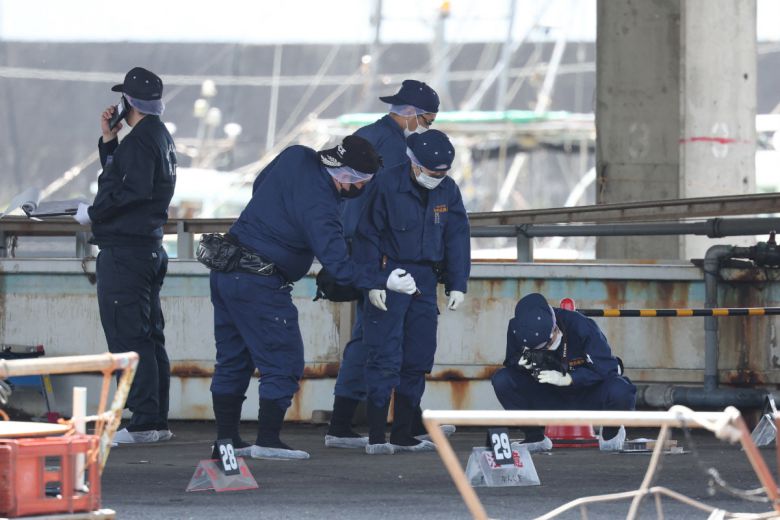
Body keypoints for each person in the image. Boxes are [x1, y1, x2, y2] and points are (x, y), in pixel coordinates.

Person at [207, 135, 419, 460]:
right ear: (347, 177)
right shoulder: (321, 208)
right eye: (362, 182)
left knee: (232, 358)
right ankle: (267, 440)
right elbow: (340, 266)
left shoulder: (296, 155)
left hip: (225, 272)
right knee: (283, 359)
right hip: (260, 282)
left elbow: (261, 185)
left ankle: (227, 440)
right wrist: (385, 278)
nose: (362, 189)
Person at [326, 79, 445, 449]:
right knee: (385, 339)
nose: (428, 126)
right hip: (383, 256)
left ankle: (343, 422)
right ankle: (401, 424)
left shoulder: (366, 134)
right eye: (427, 119)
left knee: (366, 336)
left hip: (352, 246)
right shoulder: (398, 148)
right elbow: (393, 207)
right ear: (410, 114)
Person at [73, 67, 177, 444]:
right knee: (149, 336)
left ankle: (145, 421)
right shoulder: (158, 137)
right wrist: (108, 141)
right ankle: (156, 419)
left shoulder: (139, 143)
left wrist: (93, 213)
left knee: (128, 337)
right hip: (149, 248)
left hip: (126, 254)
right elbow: (128, 181)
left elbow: (127, 192)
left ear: (127, 102)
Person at [353, 129, 471, 455]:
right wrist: (374, 281)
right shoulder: (386, 184)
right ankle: (377, 435)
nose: (438, 178)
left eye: (443, 173)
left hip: (426, 280)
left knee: (418, 356)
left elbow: (457, 238)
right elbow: (366, 236)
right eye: (433, 173)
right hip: (392, 273)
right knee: (383, 355)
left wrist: (457, 283)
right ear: (414, 164)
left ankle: (404, 433)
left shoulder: (447, 190)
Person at [491, 293, 636, 452]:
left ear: (554, 329)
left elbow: (607, 369)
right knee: (502, 379)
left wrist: (569, 378)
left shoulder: (581, 326)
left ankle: (611, 432)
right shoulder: (516, 329)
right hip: (548, 394)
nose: (545, 351)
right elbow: (510, 361)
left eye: (547, 345)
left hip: (586, 393)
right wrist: (520, 363)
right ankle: (534, 437)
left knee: (621, 389)